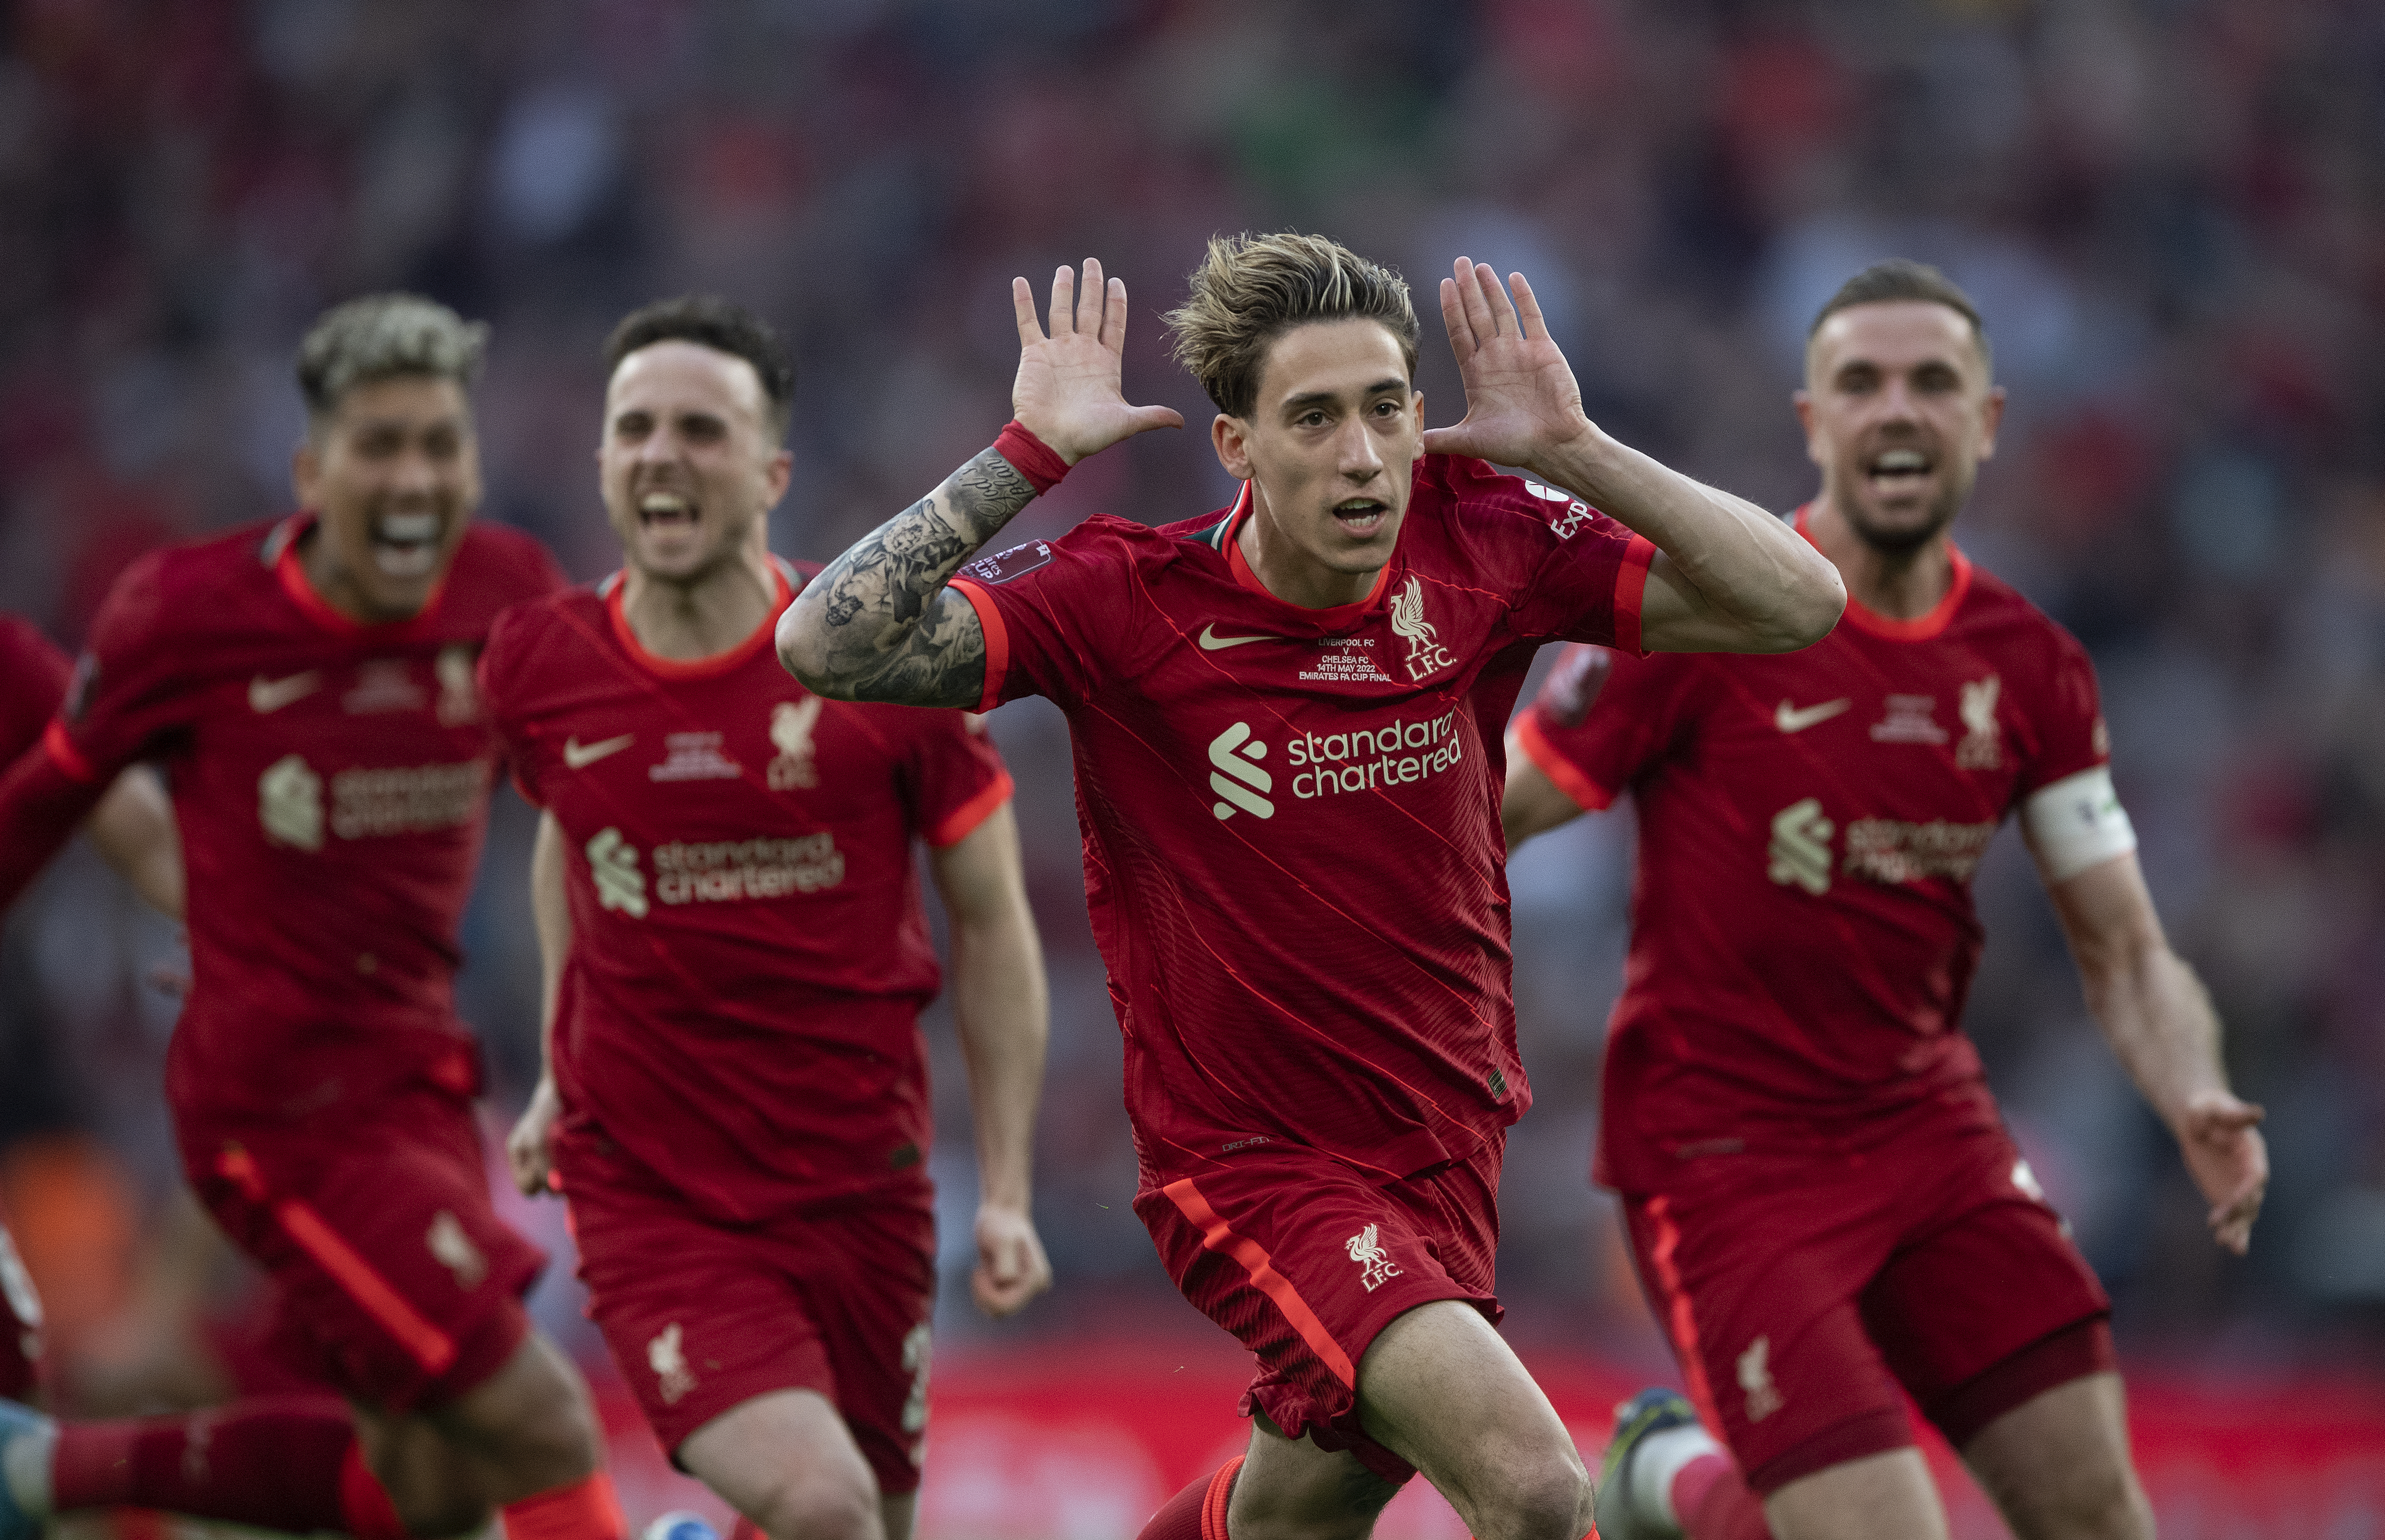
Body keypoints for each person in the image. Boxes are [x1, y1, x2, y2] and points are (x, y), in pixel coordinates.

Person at [776, 234, 1844, 1540]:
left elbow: (1797, 604)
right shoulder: (1125, 599)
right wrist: (1030, 454)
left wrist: (1570, 447)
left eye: (1387, 409)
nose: (1361, 455)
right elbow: (826, 643)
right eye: (1314, 418)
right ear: (1235, 446)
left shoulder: (1483, 546)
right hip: (1251, 1166)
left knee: (1292, 1515)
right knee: (1531, 1485)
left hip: (1449, 1140)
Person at [1501, 261, 2268, 1540]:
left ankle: (1666, 1485)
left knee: (2100, 1519)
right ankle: (1667, 1478)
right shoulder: (1708, 614)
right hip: (1721, 1156)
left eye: (1931, 384)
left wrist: (2188, 1085)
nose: (1894, 411)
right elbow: (1495, 809)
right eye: (1859, 383)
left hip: (1929, 1135)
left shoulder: (2028, 666)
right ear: (1811, 421)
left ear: (1985, 422)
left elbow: (2124, 950)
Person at [0, 294, 629, 1540]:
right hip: (278, 1111)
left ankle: (40, 1478)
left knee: (429, 1488)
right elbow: (54, 805)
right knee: (540, 1423)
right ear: (309, 471)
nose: (412, 480)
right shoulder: (186, 617)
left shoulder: (506, 590)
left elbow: (599, 782)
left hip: (423, 1090)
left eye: (438, 447)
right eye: (378, 447)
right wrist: (238, 928)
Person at [486, 296, 1052, 1540]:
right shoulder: (537, 662)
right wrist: (546, 1069)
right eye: (633, 428)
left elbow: (993, 921)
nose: (660, 455)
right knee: (823, 1506)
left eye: (700, 428)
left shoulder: (880, 670)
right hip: (655, 1192)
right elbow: (569, 839)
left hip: (864, 1187)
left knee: (864, 1527)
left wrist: (1004, 1185)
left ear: (771, 471)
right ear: (600, 461)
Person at [0, 610, 184, 1407]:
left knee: (37, 1391)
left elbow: (143, 828)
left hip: (32, 1133)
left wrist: (246, 945)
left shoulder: (8, 663)